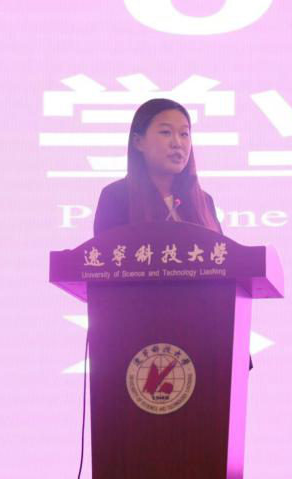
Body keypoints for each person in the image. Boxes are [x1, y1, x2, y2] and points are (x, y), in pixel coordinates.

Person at [92, 98, 253, 370]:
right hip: (137, 341)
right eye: (166, 132)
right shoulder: (116, 197)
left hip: (208, 339)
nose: (178, 143)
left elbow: (224, 266)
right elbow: (103, 268)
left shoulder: (203, 202)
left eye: (184, 134)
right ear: (138, 142)